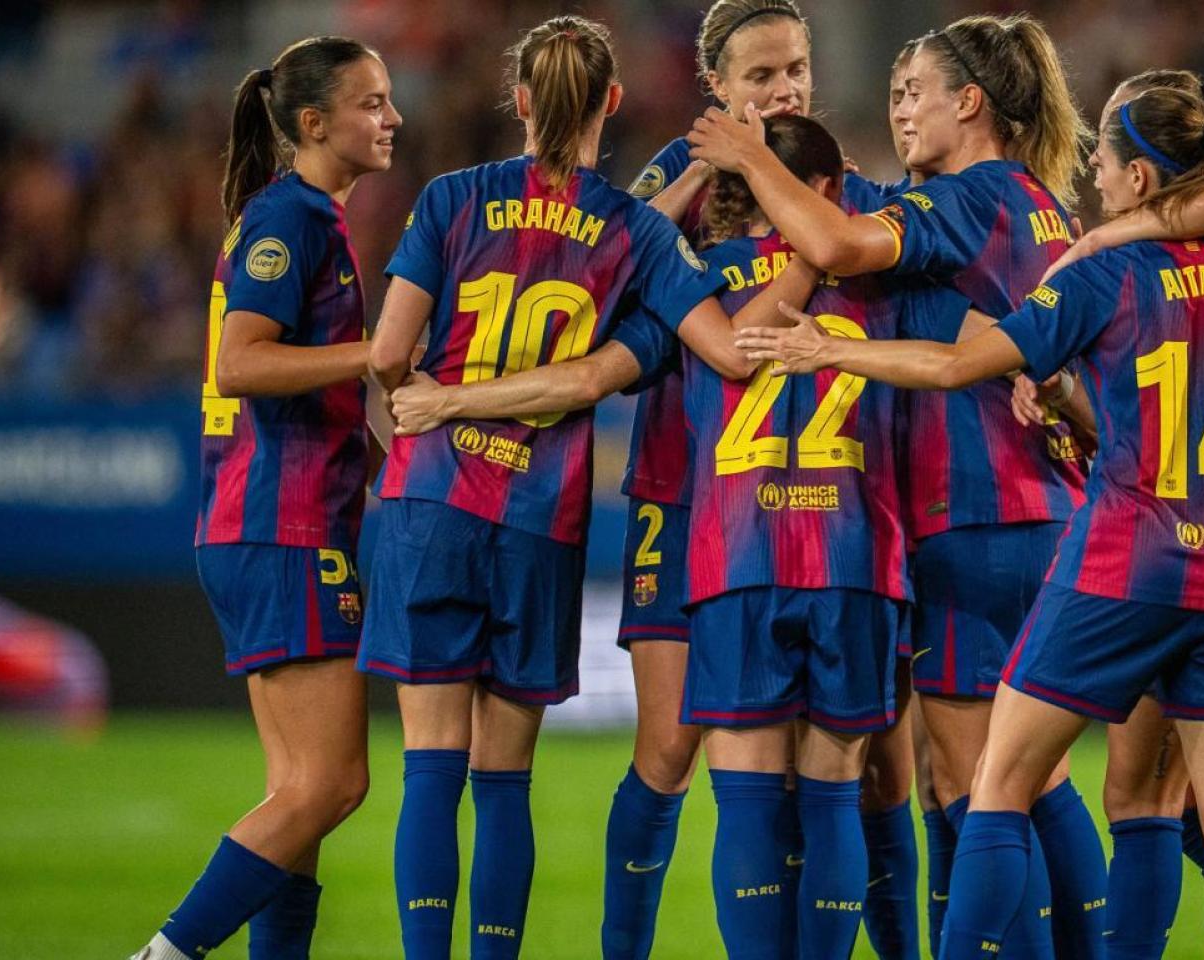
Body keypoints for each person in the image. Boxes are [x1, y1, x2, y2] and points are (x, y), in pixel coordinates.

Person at [735, 79, 1204, 960]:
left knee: (997, 787)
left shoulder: (1106, 276)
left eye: (1105, 166)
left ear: (1141, 179)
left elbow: (958, 367)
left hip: (1123, 563)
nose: (1094, 182)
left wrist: (828, 347)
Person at [691, 14, 1109, 957]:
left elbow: (838, 246)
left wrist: (753, 158)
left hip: (969, 511)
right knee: (1035, 783)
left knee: (978, 789)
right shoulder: (1041, 203)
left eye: (913, 92)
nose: (900, 111)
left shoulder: (966, 198)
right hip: (1047, 507)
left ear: (969, 101)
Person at [357, 17, 744, 960]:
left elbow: (384, 356)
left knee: (429, 774)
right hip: (537, 518)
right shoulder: (634, 230)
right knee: (504, 783)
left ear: (521, 100)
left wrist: (438, 408)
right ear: (612, 103)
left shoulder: (451, 199)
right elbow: (707, 352)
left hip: (432, 504)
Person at [614, 5, 917, 958]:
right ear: (718, 91)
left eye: (797, 69)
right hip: (686, 490)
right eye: (760, 77)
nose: (784, 90)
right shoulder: (683, 180)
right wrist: (720, 163)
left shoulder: (846, 191)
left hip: (829, 506)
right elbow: (604, 257)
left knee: (880, 773)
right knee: (670, 748)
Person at [130, 36, 400, 960]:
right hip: (282, 527)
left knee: (301, 796)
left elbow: (303, 390)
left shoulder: (296, 217)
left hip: (264, 523)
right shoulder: (290, 220)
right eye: (371, 103)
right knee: (330, 786)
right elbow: (242, 361)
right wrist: (375, 356)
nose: (392, 118)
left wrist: (389, 470)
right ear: (314, 123)